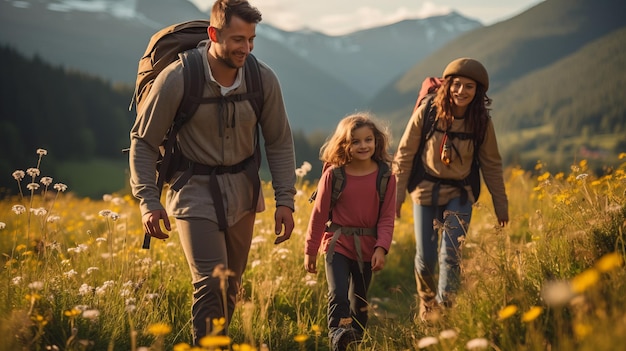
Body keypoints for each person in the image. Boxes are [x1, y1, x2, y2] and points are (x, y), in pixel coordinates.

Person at [128, 0, 296, 344]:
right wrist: (148, 200)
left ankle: (215, 339)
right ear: (213, 33)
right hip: (193, 191)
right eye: (237, 39)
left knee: (231, 285)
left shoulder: (262, 79)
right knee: (211, 282)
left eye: (251, 40)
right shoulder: (178, 78)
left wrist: (285, 200)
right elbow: (143, 141)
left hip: (244, 193)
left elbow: (279, 142)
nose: (245, 48)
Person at [393, 58, 509, 323]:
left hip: (460, 194)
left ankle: (445, 311)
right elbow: (405, 154)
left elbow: (492, 163)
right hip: (425, 191)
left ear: (478, 92)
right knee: (425, 257)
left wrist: (501, 204)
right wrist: (396, 198)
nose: (461, 91)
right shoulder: (429, 111)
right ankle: (427, 303)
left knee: (451, 254)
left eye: (469, 87)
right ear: (448, 85)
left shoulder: (481, 122)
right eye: (456, 85)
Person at [305, 113, 396, 351]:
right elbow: (318, 216)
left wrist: (381, 247)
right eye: (355, 141)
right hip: (337, 244)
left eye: (368, 139)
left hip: (368, 247)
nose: (363, 145)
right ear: (344, 144)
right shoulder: (333, 175)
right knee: (338, 295)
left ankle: (354, 342)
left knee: (360, 303)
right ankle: (337, 338)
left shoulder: (386, 177)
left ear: (377, 141)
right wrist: (310, 250)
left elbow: (387, 218)